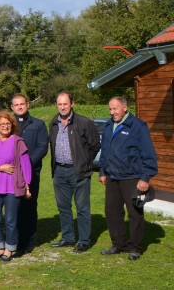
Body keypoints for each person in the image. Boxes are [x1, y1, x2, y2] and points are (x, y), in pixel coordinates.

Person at [99, 96, 158, 261]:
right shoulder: (109, 125)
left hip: (133, 178)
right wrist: (103, 171)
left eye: (115, 108)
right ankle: (118, 244)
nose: (112, 112)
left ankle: (134, 247)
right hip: (112, 177)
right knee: (112, 212)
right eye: (110, 109)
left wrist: (145, 178)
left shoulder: (137, 126)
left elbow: (148, 154)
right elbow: (105, 151)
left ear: (125, 107)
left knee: (135, 213)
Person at [49, 92, 100, 252]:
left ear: (72, 103)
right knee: (63, 207)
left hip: (78, 171)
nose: (62, 107)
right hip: (59, 171)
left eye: (65, 104)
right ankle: (68, 237)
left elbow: (95, 145)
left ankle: (84, 240)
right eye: (59, 104)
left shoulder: (84, 122)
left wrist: (85, 162)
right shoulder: (53, 123)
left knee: (82, 208)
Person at [0, 112, 32, 262]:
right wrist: (0, 168)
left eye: (8, 124)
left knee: (11, 220)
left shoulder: (18, 142)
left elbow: (26, 165)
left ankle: (10, 249)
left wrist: (27, 186)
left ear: (12, 125)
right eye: (2, 124)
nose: (5, 126)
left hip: (12, 186)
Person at [11, 94, 49, 255]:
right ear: (12, 107)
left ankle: (30, 240)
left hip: (31, 172)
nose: (19, 107)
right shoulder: (8, 124)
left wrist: (26, 165)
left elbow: (42, 147)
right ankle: (16, 239)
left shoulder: (38, 125)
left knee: (30, 206)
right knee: (14, 207)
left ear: (27, 105)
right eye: (16, 105)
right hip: (11, 173)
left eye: (22, 104)